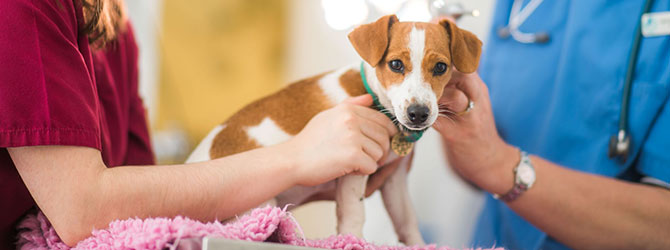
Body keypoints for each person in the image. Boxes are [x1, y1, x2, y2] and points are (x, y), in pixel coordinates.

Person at [0, 0, 398, 248]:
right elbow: (82, 211)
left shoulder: (113, 23)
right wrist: (294, 156)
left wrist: (295, 182)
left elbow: (142, 213)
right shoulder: (22, 7)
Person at [432, 1, 670, 249]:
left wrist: (498, 164)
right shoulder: (520, 7)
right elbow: (473, 167)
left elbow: (663, 227)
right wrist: (449, 93)